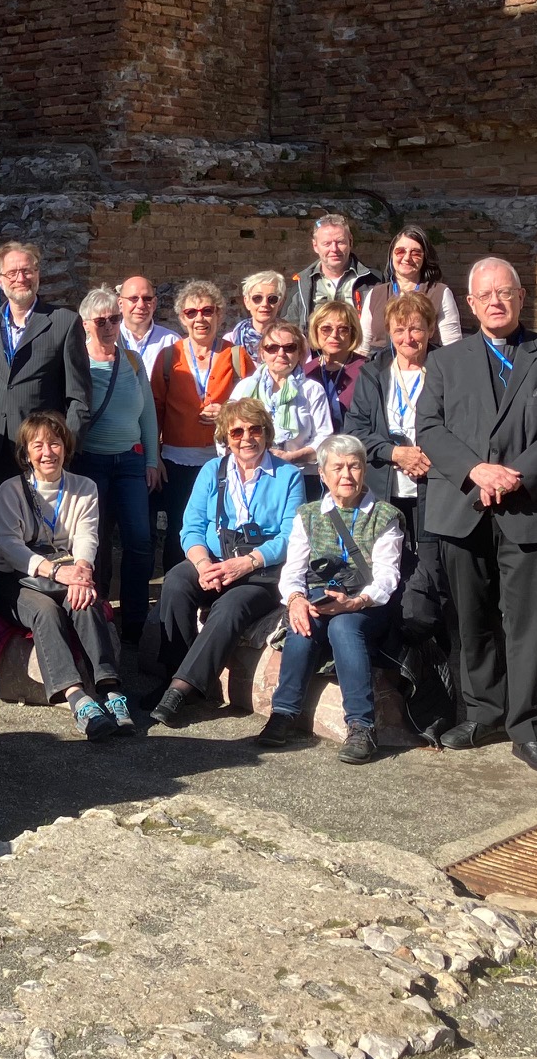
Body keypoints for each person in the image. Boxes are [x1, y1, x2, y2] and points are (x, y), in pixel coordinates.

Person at [416, 257, 537, 776]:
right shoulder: (446, 362)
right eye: (485, 294)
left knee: (529, 625)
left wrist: (512, 474)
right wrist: (477, 471)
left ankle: (530, 729)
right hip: (463, 508)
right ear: (469, 305)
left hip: (530, 506)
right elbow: (429, 428)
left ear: (521, 297)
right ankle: (484, 713)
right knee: (471, 621)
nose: (495, 301)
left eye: (505, 292)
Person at [150, 398, 304, 727]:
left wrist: (246, 564)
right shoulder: (212, 471)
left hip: (260, 572)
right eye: (236, 432)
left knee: (230, 607)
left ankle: (182, 689)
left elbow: (292, 537)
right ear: (225, 437)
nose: (246, 438)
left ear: (267, 433)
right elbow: (190, 528)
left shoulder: (288, 476)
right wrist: (204, 565)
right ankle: (171, 676)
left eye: (255, 430)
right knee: (176, 581)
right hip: (215, 559)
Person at [262, 434, 406, 763]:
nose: (346, 475)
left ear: (365, 470)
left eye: (354, 466)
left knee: (343, 627)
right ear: (323, 475)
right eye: (337, 467)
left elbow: (387, 575)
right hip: (320, 596)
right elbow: (292, 569)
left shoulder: (385, 516)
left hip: (370, 603)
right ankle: (283, 713)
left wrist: (357, 602)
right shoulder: (309, 515)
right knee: (303, 622)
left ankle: (361, 726)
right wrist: (295, 598)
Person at [0, 412, 132, 740]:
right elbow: (9, 545)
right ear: (26, 453)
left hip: (68, 571)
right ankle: (77, 699)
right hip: (16, 577)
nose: (47, 452)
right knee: (45, 610)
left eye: (54, 443)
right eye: (37, 445)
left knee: (84, 601)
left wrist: (82, 572)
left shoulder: (84, 487)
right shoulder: (10, 490)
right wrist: (56, 570)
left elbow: (87, 536)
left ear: (65, 448)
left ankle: (110, 690)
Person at [0, 241, 91, 533]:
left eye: (27, 270)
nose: (21, 278)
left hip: (41, 451)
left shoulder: (63, 322)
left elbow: (79, 397)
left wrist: (65, 446)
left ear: (38, 274)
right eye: (13, 272)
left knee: (39, 532)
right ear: (0, 280)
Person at [77, 285, 160, 642]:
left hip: (130, 461)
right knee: (95, 544)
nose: (109, 326)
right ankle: (99, 616)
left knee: (140, 540)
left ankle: (135, 622)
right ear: (85, 324)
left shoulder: (132, 361)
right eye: (101, 320)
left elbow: (149, 415)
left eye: (114, 318)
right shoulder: (78, 362)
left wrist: (152, 460)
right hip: (90, 462)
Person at [149, 280, 251, 570]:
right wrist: (153, 457)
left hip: (224, 459)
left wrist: (228, 411)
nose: (200, 318)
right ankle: (175, 594)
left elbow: (254, 406)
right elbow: (155, 408)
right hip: (176, 460)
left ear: (219, 315)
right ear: (182, 318)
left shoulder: (236, 356)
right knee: (179, 528)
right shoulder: (169, 356)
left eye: (207, 311)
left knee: (222, 526)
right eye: (191, 312)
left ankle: (213, 589)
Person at [344, 292, 438, 550]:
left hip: (433, 486)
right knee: (389, 567)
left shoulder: (447, 369)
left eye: (416, 329)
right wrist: (395, 453)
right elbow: (355, 430)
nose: (407, 338)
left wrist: (425, 458)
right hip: (384, 486)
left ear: (430, 328)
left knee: (432, 567)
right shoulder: (373, 373)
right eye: (399, 330)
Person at [229, 322, 331, 475]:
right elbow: (226, 430)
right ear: (262, 353)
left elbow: (324, 437)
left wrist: (293, 457)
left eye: (289, 348)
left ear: (300, 353)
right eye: (272, 348)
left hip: (300, 474)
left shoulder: (312, 390)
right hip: (250, 474)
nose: (281, 353)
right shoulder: (244, 388)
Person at [363, 225, 463, 351]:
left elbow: (453, 347)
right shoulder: (376, 294)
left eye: (415, 253)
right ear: (391, 255)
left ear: (425, 258)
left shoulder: (439, 293)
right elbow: (362, 347)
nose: (407, 258)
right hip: (380, 367)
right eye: (400, 251)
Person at [282, 214, 382, 330]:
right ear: (315, 246)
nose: (334, 249)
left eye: (340, 242)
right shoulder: (301, 285)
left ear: (350, 242)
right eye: (327, 244)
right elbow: (288, 330)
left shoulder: (374, 281)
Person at [304, 299, 368, 427]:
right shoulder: (306, 371)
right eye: (326, 329)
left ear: (353, 333)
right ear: (315, 331)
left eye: (343, 329)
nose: (334, 335)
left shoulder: (367, 370)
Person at [115, 275, 178, 375]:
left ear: (154, 304)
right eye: (134, 298)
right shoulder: (108, 340)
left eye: (147, 298)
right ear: (120, 304)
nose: (141, 305)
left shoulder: (171, 342)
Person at [226, 271, 287, 357]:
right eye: (257, 298)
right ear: (247, 302)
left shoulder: (295, 340)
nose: (264, 304)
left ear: (280, 303)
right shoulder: (230, 341)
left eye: (272, 299)